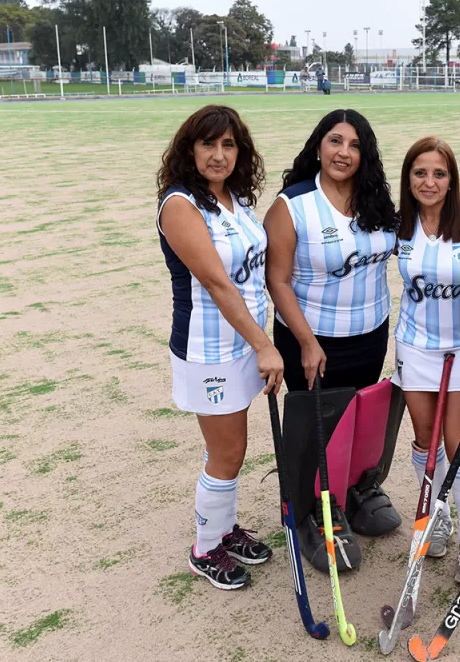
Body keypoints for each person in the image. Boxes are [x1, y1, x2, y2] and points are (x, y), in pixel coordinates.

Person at [264, 108, 400, 569]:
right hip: (313, 338)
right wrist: (305, 341)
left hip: (370, 332)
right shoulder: (293, 204)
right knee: (317, 426)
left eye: (355, 145)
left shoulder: (375, 200)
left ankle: (354, 490)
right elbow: (278, 281)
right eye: (335, 141)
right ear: (318, 146)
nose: (344, 152)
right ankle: (313, 511)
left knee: (360, 417)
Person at [156, 105, 282, 590]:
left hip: (245, 344)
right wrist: (264, 346)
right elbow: (217, 283)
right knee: (226, 453)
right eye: (209, 144)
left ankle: (225, 530)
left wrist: (259, 343)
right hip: (209, 347)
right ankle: (205, 548)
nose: (218, 154)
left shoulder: (232, 199)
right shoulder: (179, 204)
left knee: (235, 447)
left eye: (228, 145)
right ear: (190, 148)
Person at [394, 136, 460, 583]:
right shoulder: (397, 223)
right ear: (408, 178)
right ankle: (439, 516)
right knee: (424, 440)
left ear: (452, 178)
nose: (429, 181)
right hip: (414, 348)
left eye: (439, 173)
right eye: (420, 173)